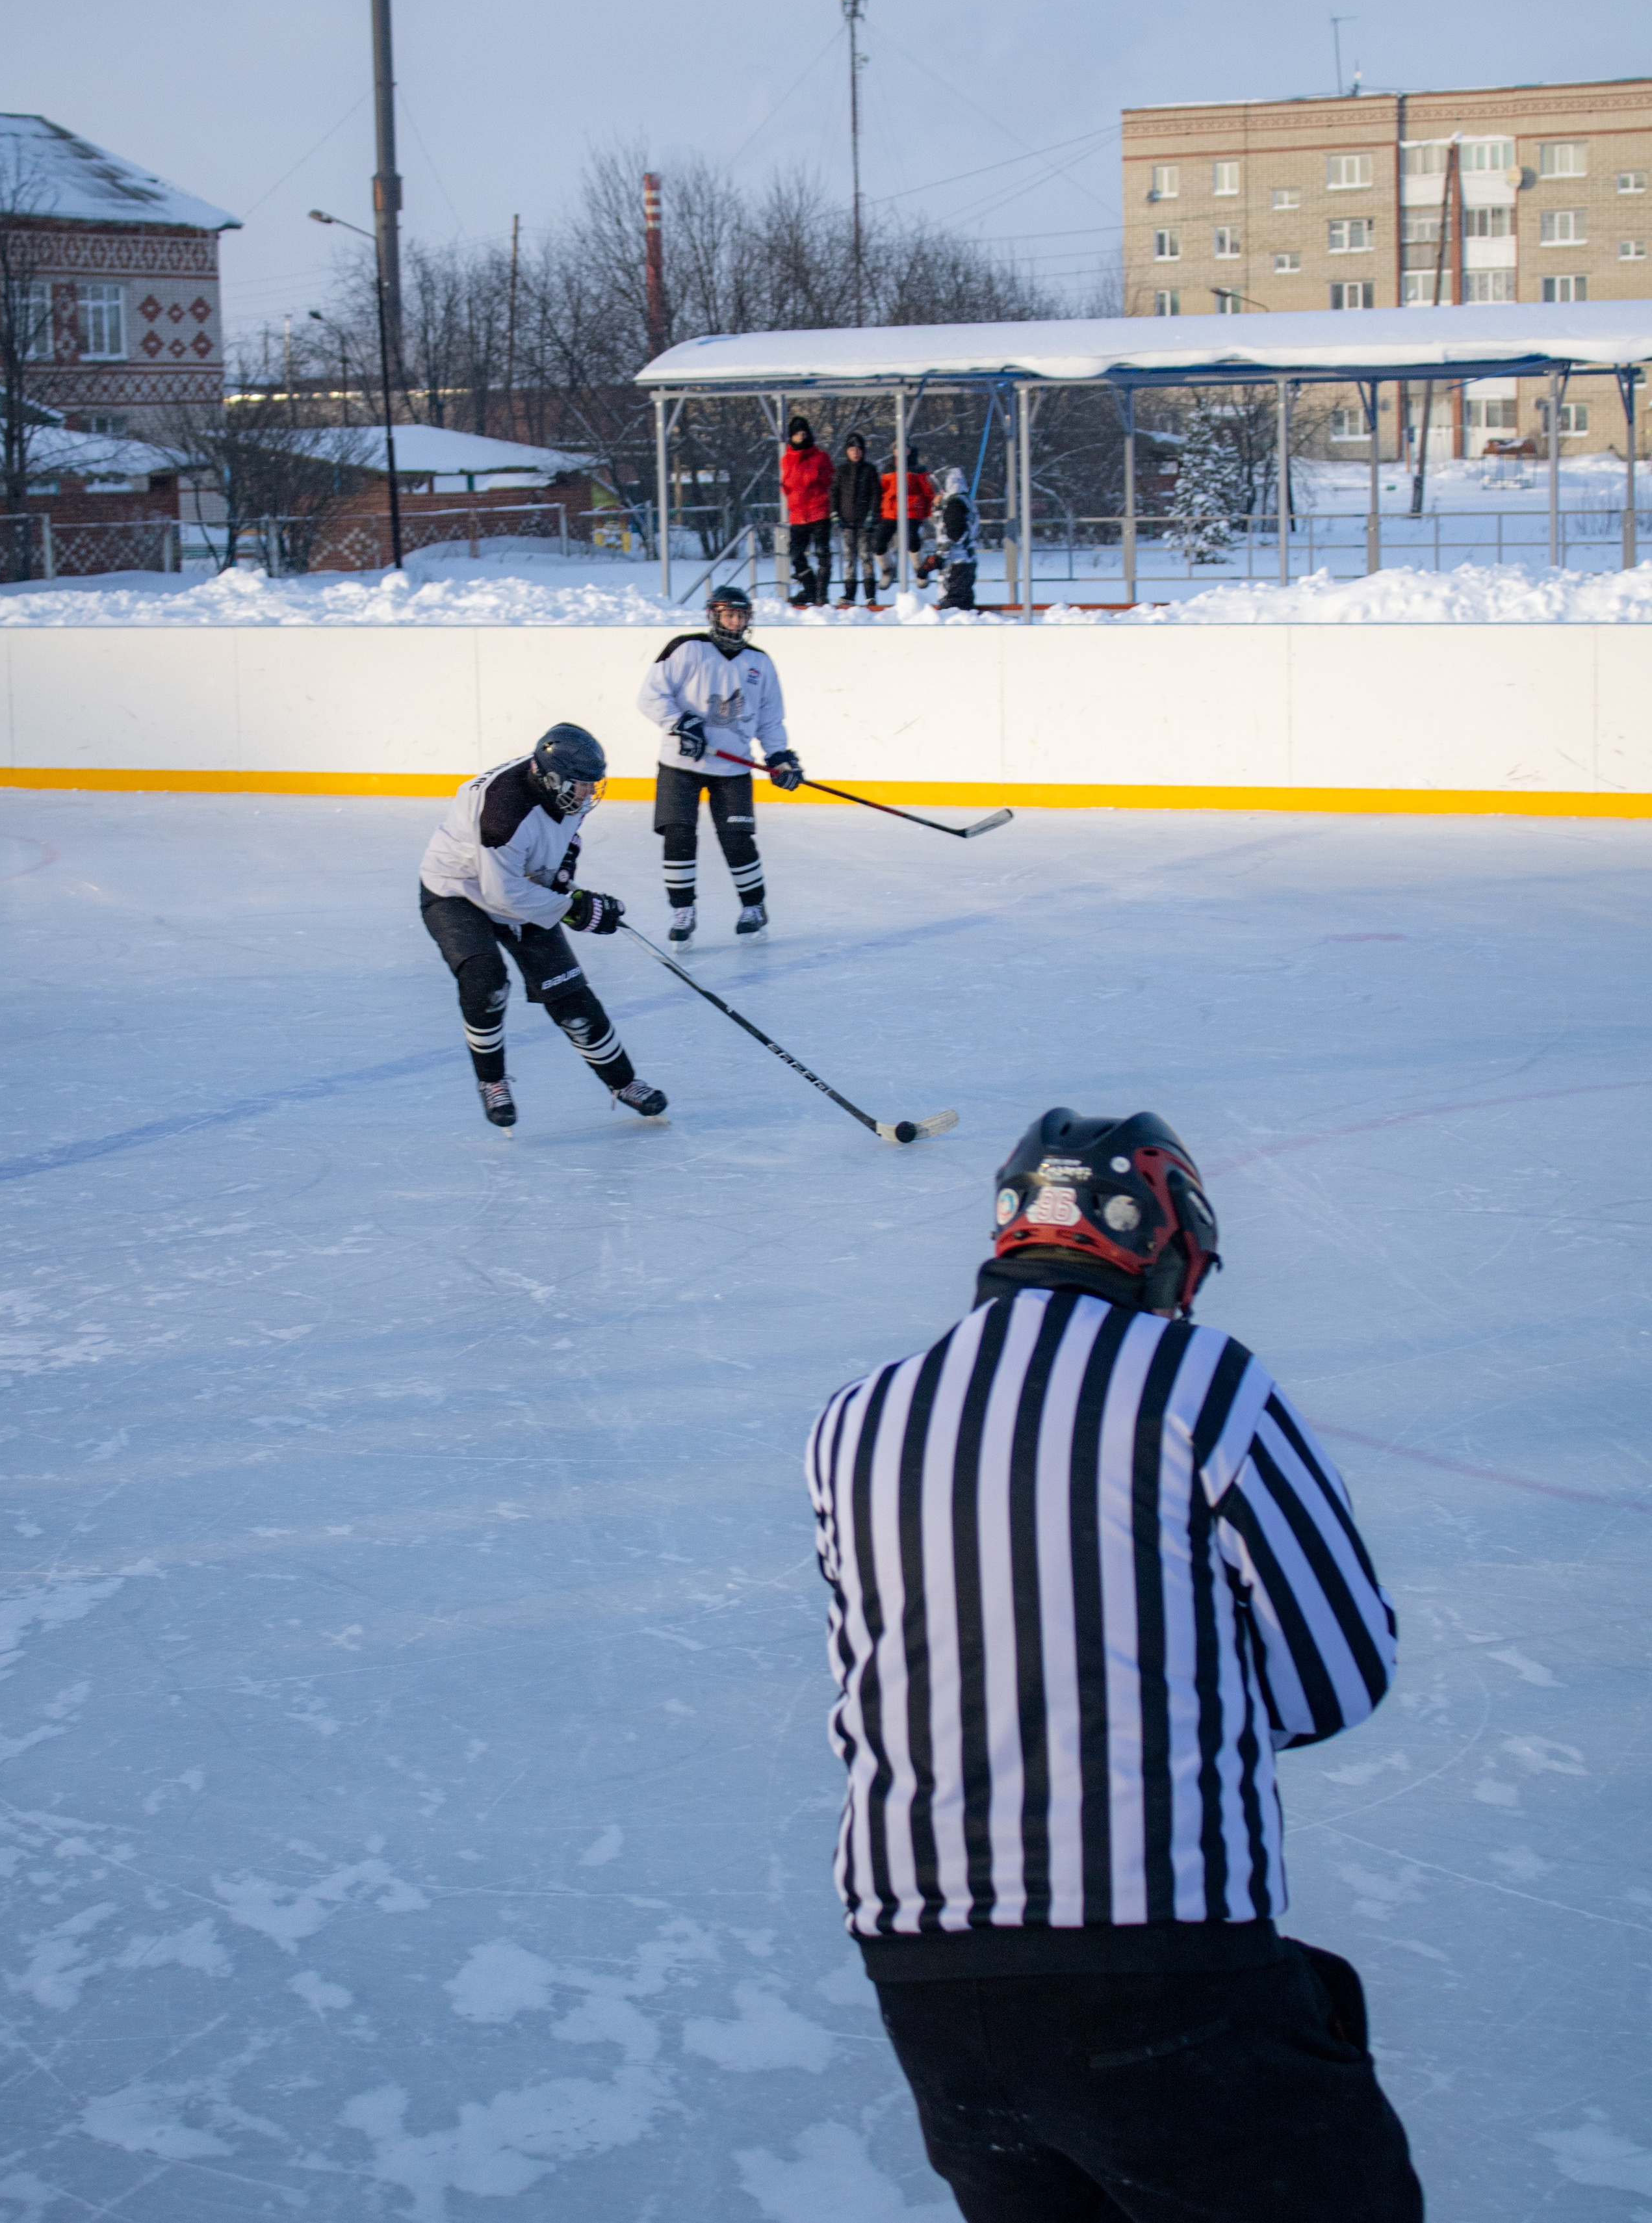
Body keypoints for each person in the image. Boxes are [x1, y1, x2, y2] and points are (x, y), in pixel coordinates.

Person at [806, 1106, 1423, 2223]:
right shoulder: (1202, 1381)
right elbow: (1336, 1672)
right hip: (1158, 1955)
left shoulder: (855, 1416)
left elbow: (882, 1674)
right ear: (1164, 1241)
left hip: (925, 1984)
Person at [419, 723, 667, 1131]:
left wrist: (566, 871)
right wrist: (577, 909)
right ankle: (492, 1081)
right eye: (583, 785)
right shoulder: (502, 812)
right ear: (550, 777)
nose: (590, 793)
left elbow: (565, 837)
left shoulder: (561, 792)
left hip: (521, 884)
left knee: (569, 995)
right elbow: (502, 896)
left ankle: (624, 1083)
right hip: (457, 892)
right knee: (486, 980)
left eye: (594, 784)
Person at [636, 585, 802, 946]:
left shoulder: (760, 662)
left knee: (737, 840)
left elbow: (770, 719)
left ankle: (754, 907)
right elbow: (650, 696)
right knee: (678, 835)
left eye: (742, 616)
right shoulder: (687, 649)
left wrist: (779, 757)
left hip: (733, 768)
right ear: (714, 615)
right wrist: (681, 723)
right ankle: (683, 910)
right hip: (680, 764)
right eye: (729, 615)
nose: (736, 622)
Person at [781, 413, 834, 607]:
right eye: (797, 434)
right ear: (791, 437)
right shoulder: (786, 459)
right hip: (797, 513)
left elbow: (830, 480)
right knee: (796, 554)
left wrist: (816, 480)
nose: (801, 437)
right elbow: (788, 483)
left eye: (804, 433)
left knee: (822, 552)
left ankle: (822, 593)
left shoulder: (821, 457)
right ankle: (811, 589)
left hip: (818, 510)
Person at [875, 442, 935, 591]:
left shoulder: (918, 469)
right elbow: (882, 491)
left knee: (912, 539)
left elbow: (928, 493)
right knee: (878, 543)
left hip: (912, 510)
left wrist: (927, 512)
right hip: (890, 511)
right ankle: (887, 569)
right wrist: (879, 510)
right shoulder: (888, 469)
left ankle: (920, 569)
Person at [832, 430, 882, 606]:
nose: (855, 453)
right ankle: (849, 594)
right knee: (849, 559)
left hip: (865, 525)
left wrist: (872, 515)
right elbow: (834, 494)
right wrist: (835, 513)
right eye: (852, 449)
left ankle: (870, 595)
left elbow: (877, 494)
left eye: (859, 449)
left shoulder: (870, 470)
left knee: (866, 557)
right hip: (846, 523)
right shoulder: (841, 471)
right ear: (847, 451)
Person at [929, 464, 978, 610]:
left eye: (938, 490)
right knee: (964, 605)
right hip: (965, 563)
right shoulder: (963, 502)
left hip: (956, 566)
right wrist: (938, 508)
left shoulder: (954, 506)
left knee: (954, 609)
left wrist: (938, 559)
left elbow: (954, 535)